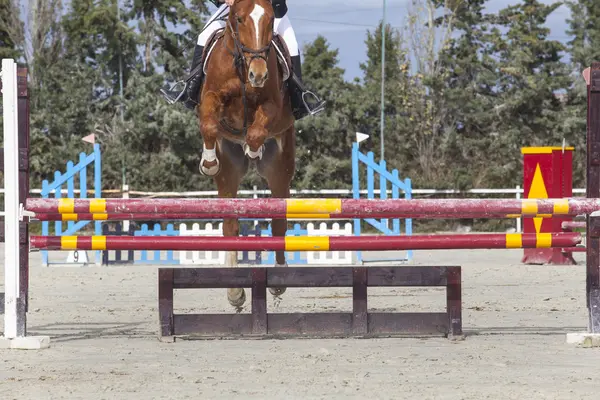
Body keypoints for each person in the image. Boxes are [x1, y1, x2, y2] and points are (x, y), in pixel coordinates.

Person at [161, 0, 326, 120]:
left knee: (291, 43)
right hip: (236, 13)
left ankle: (299, 100)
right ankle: (189, 89)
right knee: (205, 35)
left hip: (271, 14)